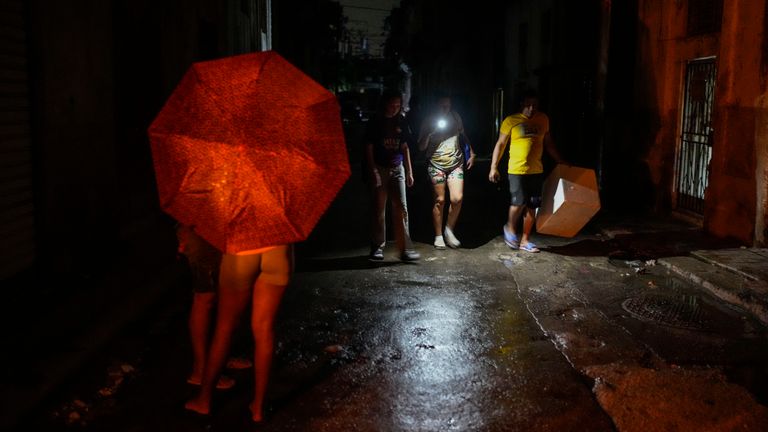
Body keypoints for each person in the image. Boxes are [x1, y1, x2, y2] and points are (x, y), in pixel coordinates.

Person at [185, 244, 294, 423]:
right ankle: (258, 408)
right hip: (279, 251)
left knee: (224, 328)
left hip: (241, 253)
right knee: (264, 330)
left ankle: (204, 400)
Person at [175, 224, 252, 391]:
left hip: (219, 229)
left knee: (221, 294)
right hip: (201, 231)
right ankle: (201, 371)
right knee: (205, 297)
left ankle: (219, 358)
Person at [488, 89, 565, 253]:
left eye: (535, 105)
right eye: (529, 105)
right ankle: (509, 227)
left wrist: (560, 161)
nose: (532, 108)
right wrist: (494, 166)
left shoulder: (543, 119)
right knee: (519, 201)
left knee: (532, 206)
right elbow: (500, 144)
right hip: (517, 170)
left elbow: (549, 143)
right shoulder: (511, 121)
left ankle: (525, 240)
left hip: (536, 170)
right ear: (522, 104)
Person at [364, 90, 420, 262]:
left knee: (402, 208)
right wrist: (373, 170)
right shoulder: (376, 121)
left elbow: (405, 147)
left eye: (398, 105)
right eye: (392, 105)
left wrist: (409, 170)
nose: (395, 108)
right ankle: (377, 246)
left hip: (398, 169)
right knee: (379, 208)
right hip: (380, 168)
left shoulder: (401, 121)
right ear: (385, 104)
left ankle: (404, 248)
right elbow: (369, 148)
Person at [418, 95, 476, 249]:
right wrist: (430, 133)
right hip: (436, 164)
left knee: (457, 198)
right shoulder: (428, 120)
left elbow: (463, 135)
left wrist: (471, 151)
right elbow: (421, 147)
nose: (445, 109)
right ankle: (438, 236)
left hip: (456, 163)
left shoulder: (456, 117)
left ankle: (449, 230)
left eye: (448, 105)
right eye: (442, 106)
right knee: (440, 200)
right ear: (435, 106)